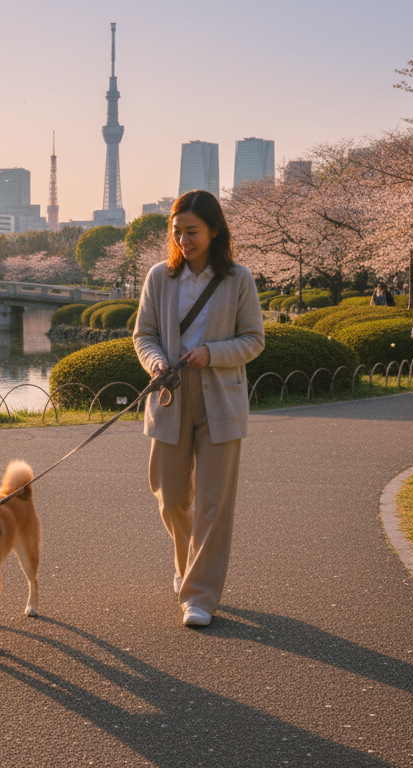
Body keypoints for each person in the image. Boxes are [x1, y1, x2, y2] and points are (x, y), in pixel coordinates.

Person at [132, 190, 265, 628]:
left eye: (192, 231)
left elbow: (254, 340)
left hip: (220, 397)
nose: (184, 240)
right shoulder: (159, 277)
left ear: (214, 230)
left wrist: (211, 353)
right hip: (170, 395)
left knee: (212, 503)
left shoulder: (238, 279)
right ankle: (190, 565)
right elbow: (144, 335)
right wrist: (155, 361)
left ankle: (200, 596)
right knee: (170, 498)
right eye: (177, 232)